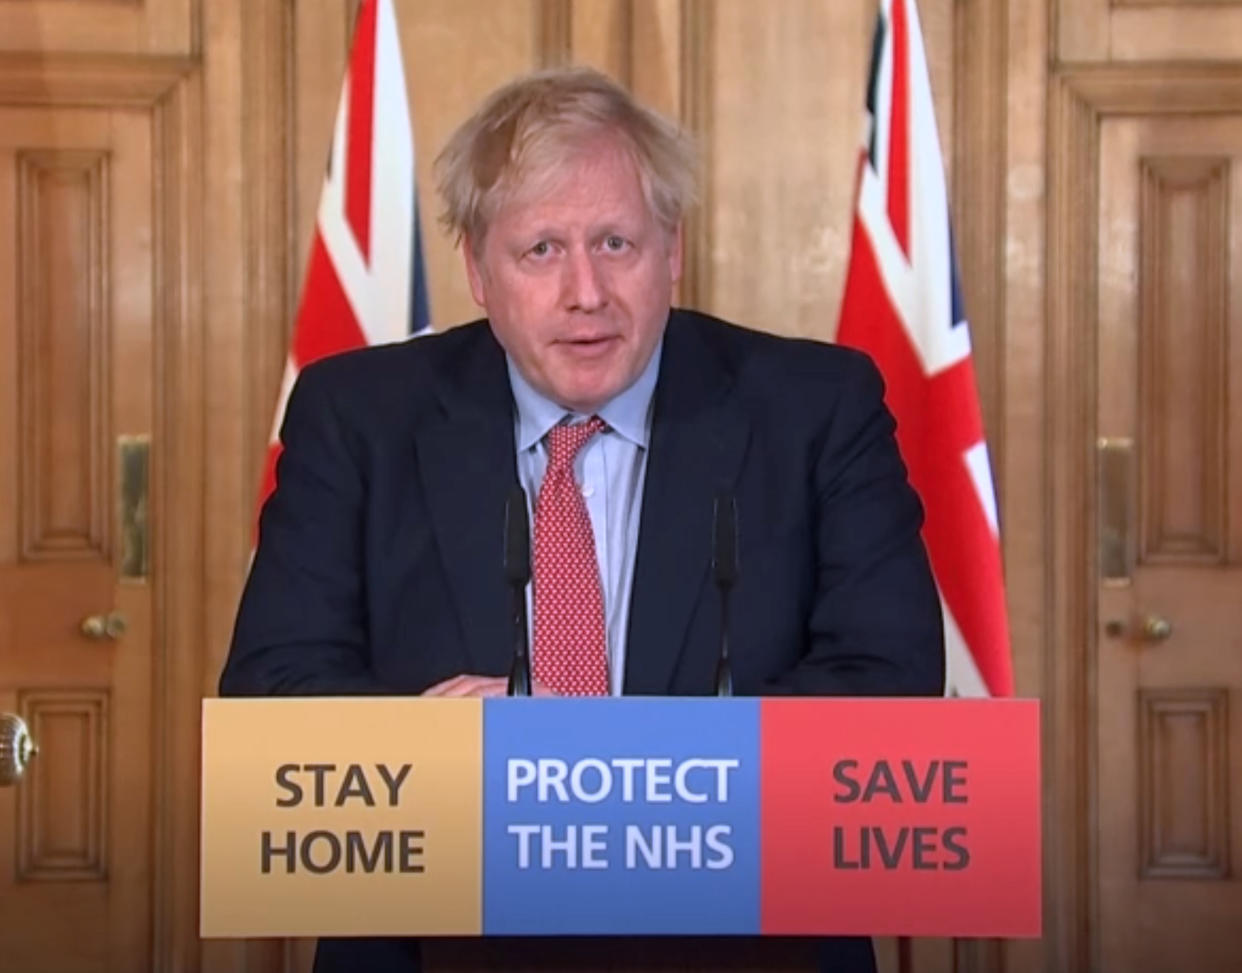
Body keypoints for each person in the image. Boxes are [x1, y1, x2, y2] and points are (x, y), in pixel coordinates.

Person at [220, 66, 944, 973]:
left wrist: (610, 774)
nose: (586, 292)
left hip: (744, 943)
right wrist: (430, 747)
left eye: (615, 242)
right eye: (540, 251)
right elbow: (271, 697)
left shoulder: (814, 408)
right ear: (477, 270)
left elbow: (893, 688)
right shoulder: (358, 417)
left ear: (672, 250)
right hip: (435, 943)